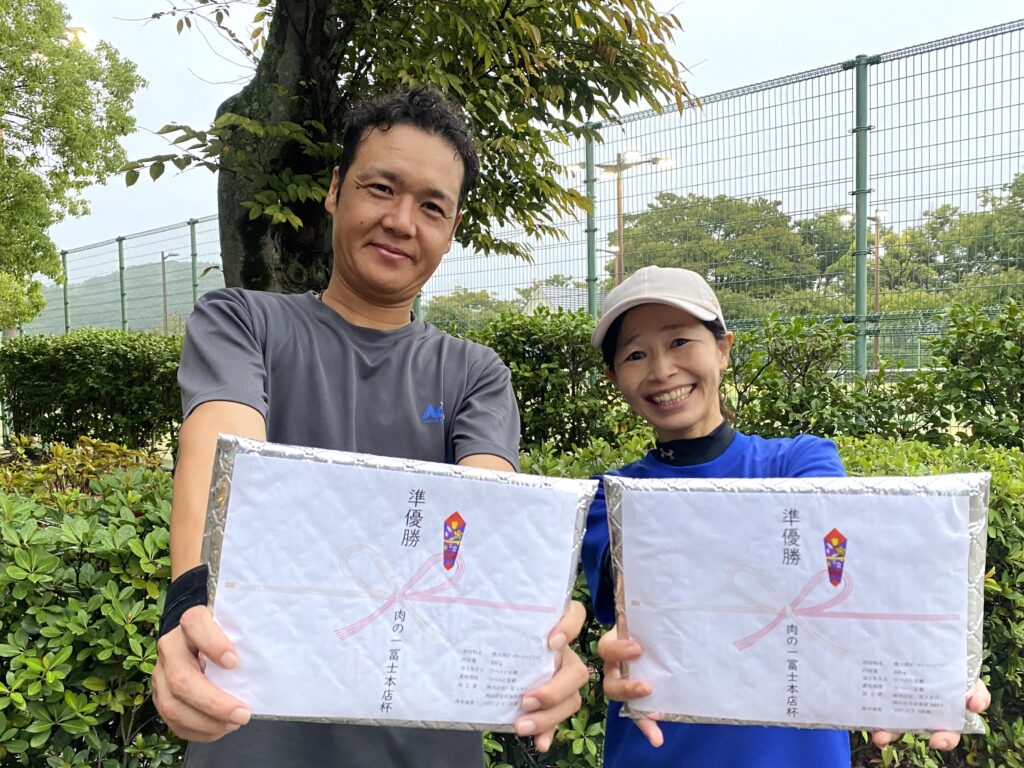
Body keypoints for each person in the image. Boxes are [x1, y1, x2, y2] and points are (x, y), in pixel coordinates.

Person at [151, 85, 588, 768]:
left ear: (452, 229)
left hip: (427, 745)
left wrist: (533, 644)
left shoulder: (475, 374)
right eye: (381, 188)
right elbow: (218, 461)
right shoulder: (241, 323)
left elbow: (482, 526)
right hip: (250, 732)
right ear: (334, 190)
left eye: (432, 207)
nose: (402, 221)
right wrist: (187, 606)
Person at [581, 265, 991, 767]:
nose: (662, 369)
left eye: (680, 341)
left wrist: (933, 659)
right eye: (635, 354)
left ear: (723, 349)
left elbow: (849, 573)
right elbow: (645, 607)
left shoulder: (802, 460)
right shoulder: (607, 498)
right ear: (614, 378)